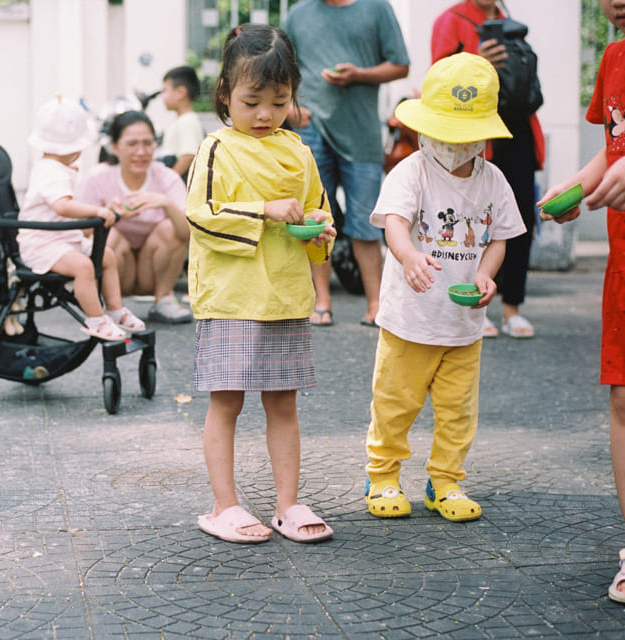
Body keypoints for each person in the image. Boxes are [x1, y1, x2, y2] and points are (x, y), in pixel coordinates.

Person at [187, 24, 337, 544]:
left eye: (279, 101)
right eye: (252, 101)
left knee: (283, 404)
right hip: (230, 298)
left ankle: (287, 504)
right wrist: (263, 210)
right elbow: (200, 216)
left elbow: (318, 211)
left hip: (284, 296)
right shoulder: (214, 148)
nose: (266, 114)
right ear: (226, 93)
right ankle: (223, 505)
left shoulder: (299, 151)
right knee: (226, 402)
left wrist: (322, 230)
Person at [363, 53, 525, 523]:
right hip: (409, 319)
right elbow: (394, 223)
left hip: (464, 323)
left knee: (457, 411)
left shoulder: (493, 180)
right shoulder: (411, 171)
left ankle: (446, 481)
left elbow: (498, 236)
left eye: (467, 137)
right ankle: (384, 474)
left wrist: (485, 274)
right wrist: (410, 256)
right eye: (446, 134)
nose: (455, 146)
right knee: (396, 402)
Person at [538, 0, 625, 602]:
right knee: (623, 399)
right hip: (622, 264)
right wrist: (575, 186)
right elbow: (612, 147)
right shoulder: (614, 56)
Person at [283, 0, 409, 327]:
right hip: (312, 129)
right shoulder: (298, 13)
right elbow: (280, 66)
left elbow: (401, 65)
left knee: (366, 223)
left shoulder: (377, 8)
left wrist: (360, 74)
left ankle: (377, 304)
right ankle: (321, 301)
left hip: (362, 132)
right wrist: (290, 109)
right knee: (316, 219)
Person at [432, 0, 546, 338]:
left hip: (517, 131)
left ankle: (513, 308)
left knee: (518, 220)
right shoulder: (451, 20)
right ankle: (475, 304)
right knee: (473, 221)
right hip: (475, 134)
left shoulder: (510, 21)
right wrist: (479, 63)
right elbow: (436, 78)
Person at [17, 96, 146, 342]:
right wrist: (96, 211)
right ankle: (96, 319)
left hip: (64, 238)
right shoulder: (51, 172)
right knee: (84, 267)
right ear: (74, 148)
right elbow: (62, 206)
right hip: (42, 244)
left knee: (106, 256)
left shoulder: (56, 168)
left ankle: (115, 308)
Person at [77, 111, 192, 324]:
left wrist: (165, 203)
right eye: (131, 144)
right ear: (115, 147)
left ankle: (164, 298)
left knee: (171, 228)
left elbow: (189, 234)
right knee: (109, 235)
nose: (141, 152)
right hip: (119, 270)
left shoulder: (167, 177)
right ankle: (112, 304)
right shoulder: (97, 177)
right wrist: (107, 214)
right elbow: (80, 233)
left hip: (154, 269)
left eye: (148, 143)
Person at [157, 66, 206, 179]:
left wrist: (170, 181)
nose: (162, 96)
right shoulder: (182, 121)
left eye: (165, 90)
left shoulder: (188, 121)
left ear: (181, 92)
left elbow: (189, 155)